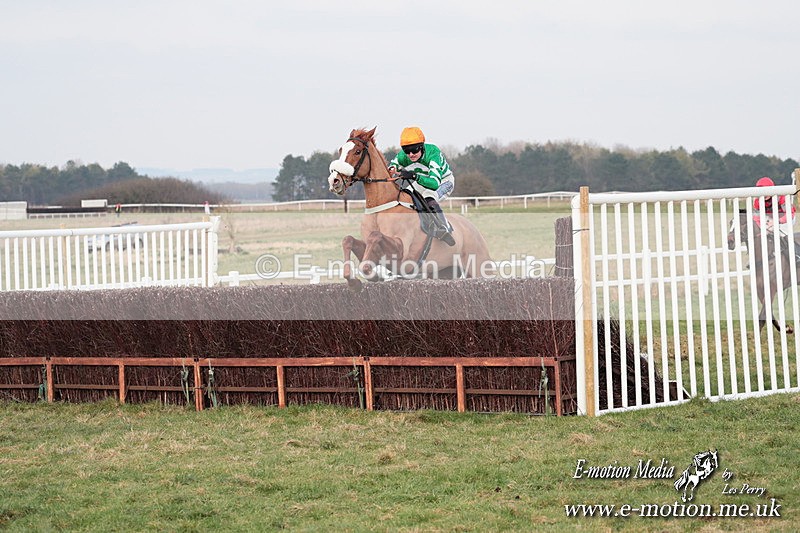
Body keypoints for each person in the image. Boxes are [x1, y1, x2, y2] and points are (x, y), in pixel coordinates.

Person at [388, 126, 456, 246]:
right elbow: (392, 168)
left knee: (428, 196)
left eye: (414, 150)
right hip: (422, 182)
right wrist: (393, 171)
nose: (411, 154)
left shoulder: (432, 153)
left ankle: (443, 228)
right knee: (405, 197)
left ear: (421, 146)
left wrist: (414, 176)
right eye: (407, 150)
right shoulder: (405, 156)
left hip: (443, 181)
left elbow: (434, 184)